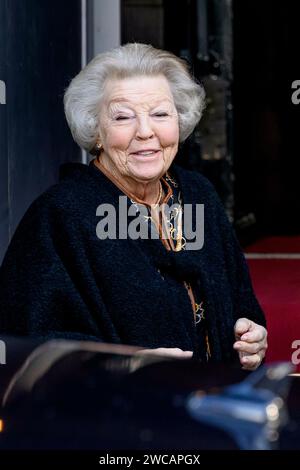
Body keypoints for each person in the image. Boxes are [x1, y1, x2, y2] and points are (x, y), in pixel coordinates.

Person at [0, 43, 267, 369]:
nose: (145, 132)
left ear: (179, 122)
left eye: (160, 114)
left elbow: (240, 300)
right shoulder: (60, 216)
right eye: (123, 117)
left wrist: (250, 336)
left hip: (207, 408)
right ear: (96, 131)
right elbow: (28, 345)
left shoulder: (198, 195)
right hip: (118, 414)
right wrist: (125, 366)